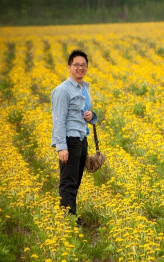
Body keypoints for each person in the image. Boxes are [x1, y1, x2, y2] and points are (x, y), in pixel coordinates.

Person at [51, 50, 97, 226]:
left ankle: (71, 215)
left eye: (83, 65)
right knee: (68, 182)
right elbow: (58, 119)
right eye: (76, 65)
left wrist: (91, 115)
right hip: (69, 141)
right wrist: (61, 147)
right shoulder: (62, 90)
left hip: (80, 139)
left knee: (75, 181)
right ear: (69, 67)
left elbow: (88, 114)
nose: (80, 68)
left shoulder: (84, 88)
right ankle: (68, 221)